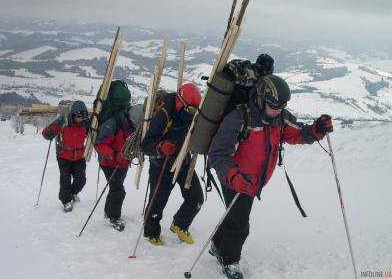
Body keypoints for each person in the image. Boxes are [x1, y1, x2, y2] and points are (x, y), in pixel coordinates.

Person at [207, 71, 333, 279]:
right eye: (274, 106)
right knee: (240, 225)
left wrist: (317, 130)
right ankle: (229, 261)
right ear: (260, 98)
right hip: (235, 180)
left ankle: (217, 245)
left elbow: (297, 133)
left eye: (282, 106)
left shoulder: (279, 118)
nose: (278, 111)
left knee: (234, 216)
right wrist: (235, 177)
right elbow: (218, 154)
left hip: (253, 180)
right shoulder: (239, 117)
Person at [141, 83, 204, 246]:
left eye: (195, 111)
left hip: (182, 160)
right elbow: (145, 145)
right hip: (161, 163)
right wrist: (160, 147)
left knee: (196, 197)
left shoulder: (190, 115)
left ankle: (180, 225)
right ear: (180, 102)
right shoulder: (163, 114)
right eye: (190, 110)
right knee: (158, 201)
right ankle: (151, 232)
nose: (192, 114)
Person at [94, 108, 137, 232]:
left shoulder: (134, 125)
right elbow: (99, 143)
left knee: (115, 187)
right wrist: (114, 154)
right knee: (118, 190)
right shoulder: (113, 123)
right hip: (108, 162)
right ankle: (114, 217)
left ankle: (108, 212)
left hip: (123, 163)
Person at [42, 100, 90, 212]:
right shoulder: (63, 121)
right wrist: (49, 133)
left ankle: (72, 193)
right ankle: (66, 201)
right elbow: (46, 133)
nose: (80, 118)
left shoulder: (86, 123)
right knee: (65, 180)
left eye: (83, 116)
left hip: (79, 156)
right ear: (73, 113)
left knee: (81, 180)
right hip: (64, 156)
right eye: (78, 115)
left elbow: (93, 132)